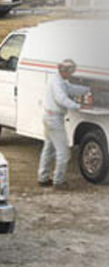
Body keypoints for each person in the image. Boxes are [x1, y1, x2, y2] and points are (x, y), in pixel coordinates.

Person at [38, 59, 92, 190]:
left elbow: (71, 88)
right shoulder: (57, 82)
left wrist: (88, 89)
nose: (72, 74)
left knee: (49, 149)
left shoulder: (60, 80)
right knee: (64, 152)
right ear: (65, 71)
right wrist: (79, 106)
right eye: (71, 72)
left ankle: (43, 178)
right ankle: (59, 181)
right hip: (54, 120)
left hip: (49, 117)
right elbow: (61, 99)